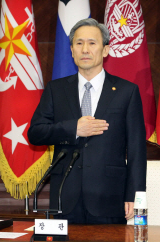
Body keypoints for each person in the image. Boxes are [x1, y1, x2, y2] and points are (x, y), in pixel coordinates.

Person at [27, 18, 146, 224]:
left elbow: (137, 148)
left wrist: (134, 194)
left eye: (92, 43)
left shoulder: (127, 91)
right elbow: (35, 133)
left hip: (109, 196)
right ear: (72, 50)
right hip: (65, 194)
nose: (85, 49)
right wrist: (74, 128)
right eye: (79, 43)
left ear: (105, 50)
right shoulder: (56, 89)